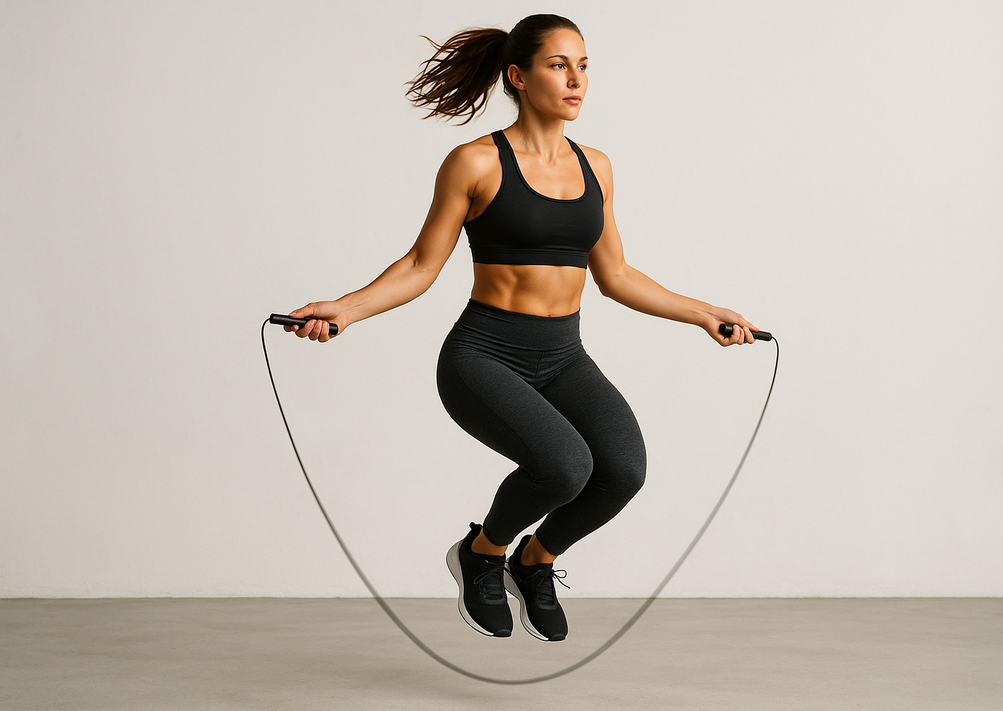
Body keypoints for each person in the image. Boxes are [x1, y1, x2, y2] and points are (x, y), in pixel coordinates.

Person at [284, 14, 759, 642]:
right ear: (518, 75)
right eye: (559, 65)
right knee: (565, 466)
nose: (576, 80)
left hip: (563, 356)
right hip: (484, 356)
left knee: (622, 471)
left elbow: (616, 274)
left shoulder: (597, 166)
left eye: (583, 66)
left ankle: (534, 562)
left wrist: (704, 312)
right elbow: (422, 265)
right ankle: (482, 553)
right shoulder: (476, 162)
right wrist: (347, 308)